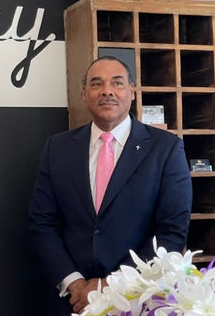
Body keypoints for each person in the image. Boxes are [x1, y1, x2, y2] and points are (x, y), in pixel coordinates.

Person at [28, 56, 192, 315]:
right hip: (72, 302)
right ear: (84, 94)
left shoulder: (166, 148)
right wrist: (76, 284)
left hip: (138, 300)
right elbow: (42, 224)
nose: (107, 91)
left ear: (132, 91)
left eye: (117, 82)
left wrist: (110, 285)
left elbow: (172, 232)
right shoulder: (57, 148)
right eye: (96, 84)